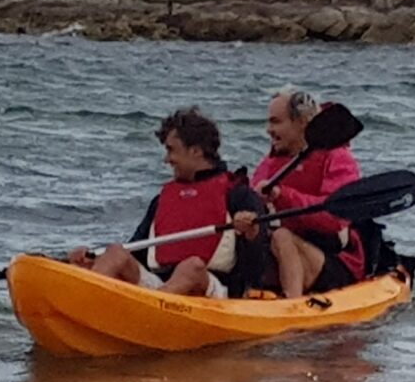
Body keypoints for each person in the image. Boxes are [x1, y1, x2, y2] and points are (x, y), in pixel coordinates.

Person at [67, 108, 265, 298]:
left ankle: (148, 312)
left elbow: (256, 267)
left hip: (213, 289)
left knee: (192, 266)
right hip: (161, 287)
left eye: (171, 150)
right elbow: (136, 252)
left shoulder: (239, 195)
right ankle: (80, 298)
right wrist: (91, 260)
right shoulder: (162, 199)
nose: (167, 159)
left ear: (195, 151)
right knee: (116, 252)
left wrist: (251, 234)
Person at [239, 86, 364, 297]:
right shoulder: (272, 162)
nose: (268, 129)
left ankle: (292, 306)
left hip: (335, 260)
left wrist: (283, 196)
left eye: (276, 122)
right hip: (289, 255)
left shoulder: (337, 158)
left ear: (302, 123)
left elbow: (334, 218)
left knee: (281, 236)